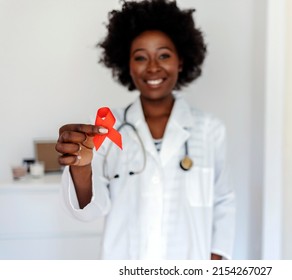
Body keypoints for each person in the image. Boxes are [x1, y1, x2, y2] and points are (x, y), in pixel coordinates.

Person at [56, 0, 235, 260]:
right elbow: (90, 208)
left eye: (164, 55)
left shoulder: (210, 130)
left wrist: (217, 259)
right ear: (126, 64)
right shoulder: (108, 129)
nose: (152, 67)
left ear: (181, 61)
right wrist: (81, 167)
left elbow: (224, 200)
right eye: (140, 57)